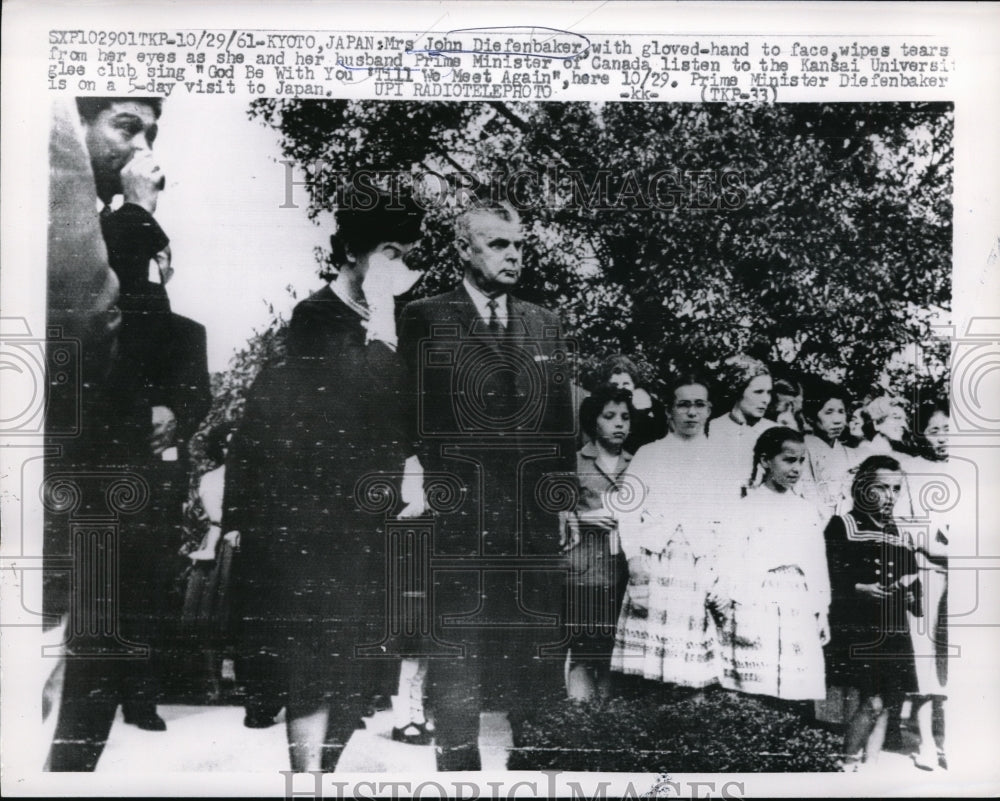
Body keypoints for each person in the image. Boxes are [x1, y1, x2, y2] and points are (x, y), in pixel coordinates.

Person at [223, 185, 425, 771]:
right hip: (311, 526)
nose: (402, 267)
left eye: (407, 254)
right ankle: (307, 777)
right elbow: (349, 404)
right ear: (354, 253)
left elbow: (407, 419)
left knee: (354, 676)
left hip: (369, 521)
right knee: (313, 663)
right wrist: (385, 328)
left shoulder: (393, 326)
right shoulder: (317, 317)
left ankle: (322, 773)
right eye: (391, 251)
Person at [47, 97, 212, 770]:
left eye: (151, 131)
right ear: (77, 127)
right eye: (125, 126)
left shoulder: (110, 229)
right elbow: (98, 325)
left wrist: (177, 412)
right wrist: (140, 218)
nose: (143, 147)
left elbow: (161, 366)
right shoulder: (72, 216)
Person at [398, 199, 576, 771]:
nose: (514, 254)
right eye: (499, 244)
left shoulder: (544, 322)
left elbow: (558, 423)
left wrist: (564, 499)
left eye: (519, 244)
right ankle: (458, 775)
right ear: (464, 249)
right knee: (458, 657)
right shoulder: (424, 316)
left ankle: (536, 771)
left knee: (536, 656)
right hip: (459, 520)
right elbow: (406, 413)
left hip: (532, 522)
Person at [611, 373, 720, 690]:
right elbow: (627, 510)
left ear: (709, 410)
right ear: (669, 411)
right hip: (654, 561)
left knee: (690, 665)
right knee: (651, 663)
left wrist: (720, 569)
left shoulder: (724, 457)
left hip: (700, 563)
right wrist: (634, 558)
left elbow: (731, 518)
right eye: (683, 405)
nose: (691, 412)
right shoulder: (650, 453)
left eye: (699, 405)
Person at [712, 427, 830, 704]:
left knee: (795, 685)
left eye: (801, 461)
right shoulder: (745, 507)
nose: (797, 468)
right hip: (756, 601)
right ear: (766, 461)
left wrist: (821, 610)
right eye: (788, 460)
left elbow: (816, 562)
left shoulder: (806, 509)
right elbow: (731, 557)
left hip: (797, 602)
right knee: (756, 684)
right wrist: (733, 601)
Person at [824, 455, 921, 771]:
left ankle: (872, 764)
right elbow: (830, 574)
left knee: (888, 701)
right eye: (881, 487)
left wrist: (910, 593)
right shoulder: (844, 525)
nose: (890, 496)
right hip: (862, 628)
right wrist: (859, 588)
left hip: (893, 629)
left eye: (896, 488)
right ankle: (848, 760)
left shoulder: (896, 531)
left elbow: (911, 577)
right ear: (863, 488)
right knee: (872, 699)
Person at [563, 385, 634, 702]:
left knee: (612, 658)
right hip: (584, 575)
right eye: (610, 416)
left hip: (623, 576)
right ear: (594, 422)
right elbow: (555, 512)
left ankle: (605, 730)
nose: (619, 423)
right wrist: (582, 516)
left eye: (625, 417)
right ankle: (581, 726)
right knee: (582, 654)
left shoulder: (638, 464)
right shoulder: (576, 463)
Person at [905, 400, 952, 770]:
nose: (943, 437)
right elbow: (912, 530)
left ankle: (953, 741)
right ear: (919, 435)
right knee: (925, 662)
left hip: (970, 578)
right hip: (928, 575)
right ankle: (925, 743)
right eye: (934, 430)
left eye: (949, 429)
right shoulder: (912, 472)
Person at [707, 354, 777, 501]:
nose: (766, 399)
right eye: (758, 392)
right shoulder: (712, 429)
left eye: (769, 393)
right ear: (738, 390)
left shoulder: (775, 431)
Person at [802, 383, 857, 517]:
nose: (837, 420)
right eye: (829, 412)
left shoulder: (850, 454)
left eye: (841, 411)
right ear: (810, 417)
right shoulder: (801, 449)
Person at [599, 355, 667, 453]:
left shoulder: (650, 406)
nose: (621, 388)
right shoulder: (600, 408)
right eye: (615, 385)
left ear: (634, 384)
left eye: (626, 384)